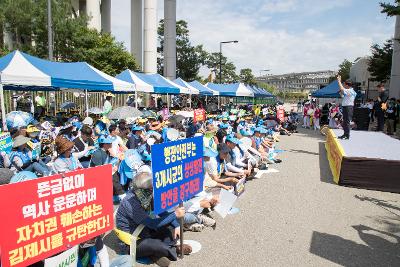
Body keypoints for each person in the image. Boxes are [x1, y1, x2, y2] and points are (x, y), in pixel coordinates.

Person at [116, 172, 190, 266]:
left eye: (152, 188)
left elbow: (161, 211)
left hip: (145, 230)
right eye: (149, 189)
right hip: (132, 240)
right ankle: (172, 250)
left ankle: (159, 253)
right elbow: (152, 223)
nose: (151, 191)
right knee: (156, 245)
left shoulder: (146, 195)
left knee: (170, 228)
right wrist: (175, 214)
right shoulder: (130, 203)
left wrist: (176, 225)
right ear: (139, 189)